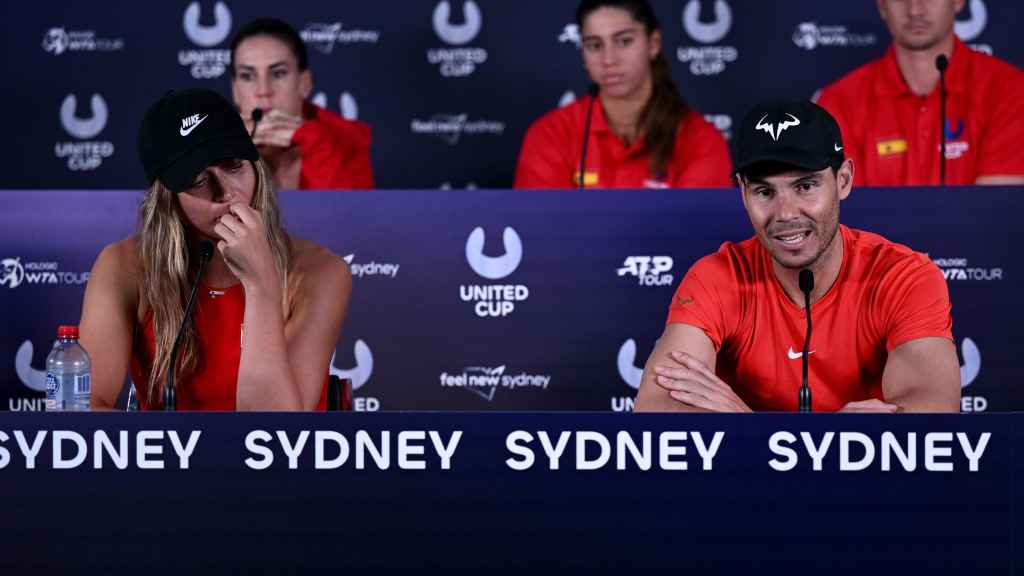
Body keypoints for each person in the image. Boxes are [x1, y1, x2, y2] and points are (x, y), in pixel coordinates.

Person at [635, 101, 960, 413]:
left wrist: (748, 427)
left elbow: (933, 408)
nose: (786, 213)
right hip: (750, 472)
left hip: (862, 471)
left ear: (843, 180)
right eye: (765, 192)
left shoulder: (902, 275)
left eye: (805, 187)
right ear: (744, 193)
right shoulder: (718, 276)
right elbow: (657, 407)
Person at [80, 88, 352, 410]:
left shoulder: (320, 271)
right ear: (168, 199)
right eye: (198, 180)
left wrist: (261, 282)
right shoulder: (124, 266)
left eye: (234, 165)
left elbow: (275, 434)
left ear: (256, 167)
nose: (227, 193)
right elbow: (83, 414)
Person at [514, 0, 731, 189]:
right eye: (595, 45)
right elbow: (543, 229)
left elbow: (700, 231)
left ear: (653, 44)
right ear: (583, 51)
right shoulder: (550, 135)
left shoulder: (700, 140)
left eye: (624, 41)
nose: (609, 59)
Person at [815, 0, 1024, 186]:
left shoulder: (1010, 90)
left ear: (959, 2)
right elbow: (847, 215)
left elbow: (996, 213)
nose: (915, 10)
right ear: (881, 5)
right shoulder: (839, 101)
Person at [230, 18, 374, 190]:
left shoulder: (347, 140)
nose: (263, 90)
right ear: (235, 90)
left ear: (305, 83)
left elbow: (347, 212)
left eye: (278, 73)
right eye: (247, 76)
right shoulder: (212, 144)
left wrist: (313, 142)